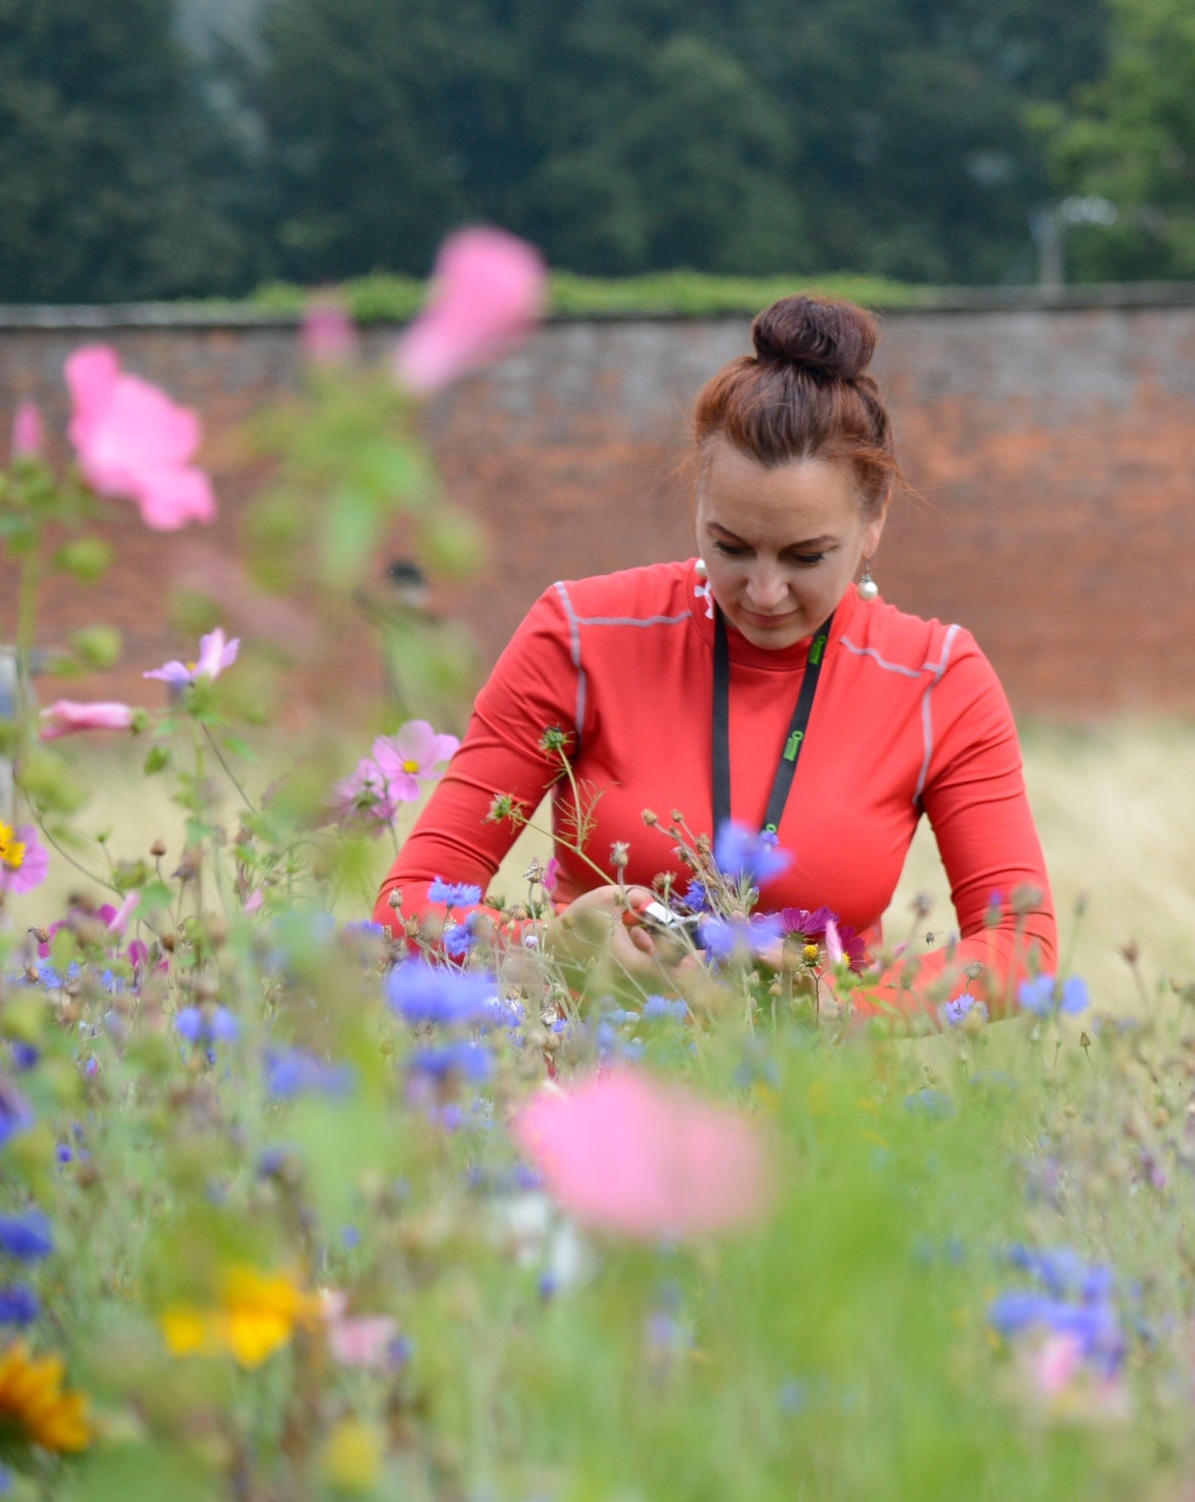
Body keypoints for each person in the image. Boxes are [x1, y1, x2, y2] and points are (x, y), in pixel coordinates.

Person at [376, 296, 1053, 1010]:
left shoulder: (938, 679)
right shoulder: (579, 635)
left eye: (805, 556)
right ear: (698, 498)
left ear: (875, 518)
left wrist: (842, 1009)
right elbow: (406, 905)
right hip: (594, 1094)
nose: (763, 592)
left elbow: (1023, 948)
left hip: (824, 1107)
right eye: (730, 546)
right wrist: (551, 951)